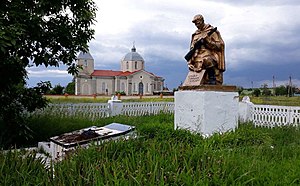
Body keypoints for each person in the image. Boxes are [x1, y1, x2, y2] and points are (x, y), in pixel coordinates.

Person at [186, 14, 225, 85]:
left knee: (208, 60)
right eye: (195, 24)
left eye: (198, 23)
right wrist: (189, 61)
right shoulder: (195, 34)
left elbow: (219, 46)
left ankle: (212, 79)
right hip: (197, 55)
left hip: (209, 54)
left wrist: (208, 41)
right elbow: (192, 49)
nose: (197, 25)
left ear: (202, 21)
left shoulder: (211, 31)